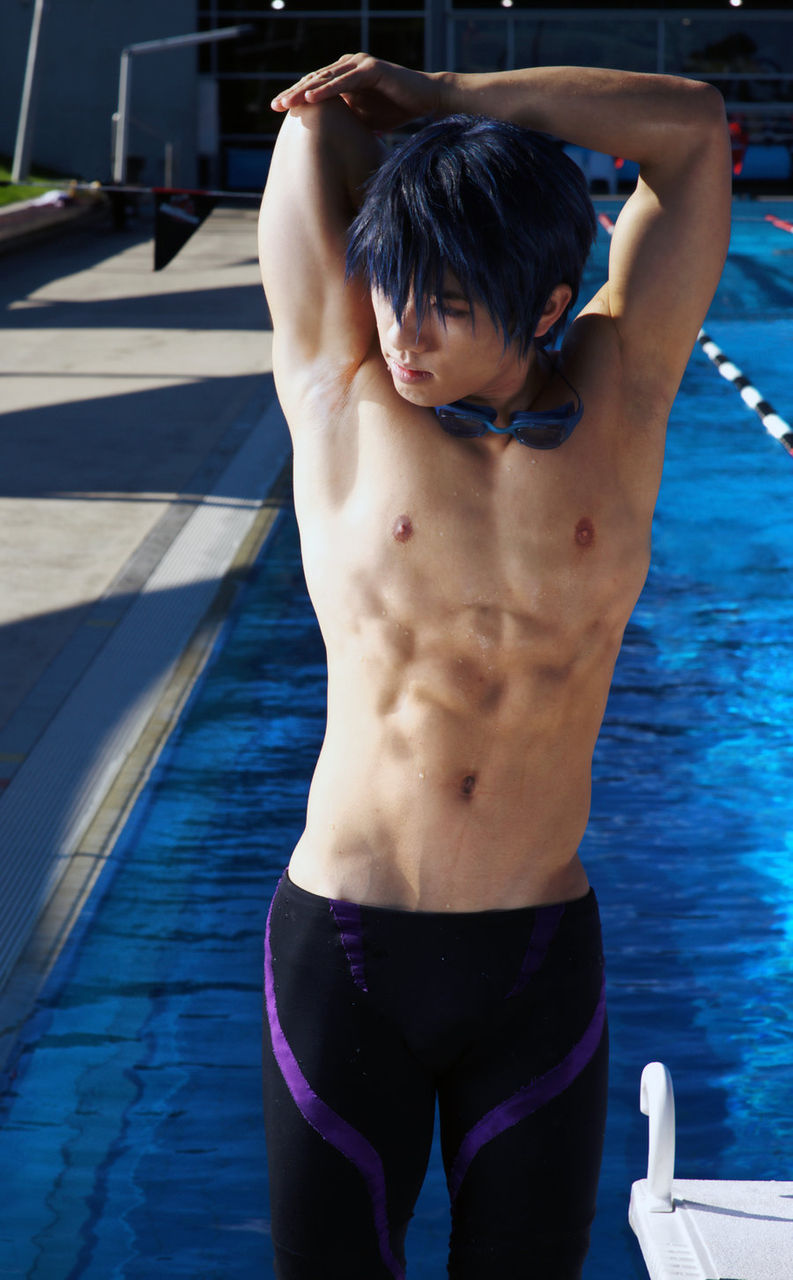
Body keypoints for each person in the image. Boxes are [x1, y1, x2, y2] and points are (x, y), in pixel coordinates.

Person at [257, 53, 731, 1279]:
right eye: (392, 289)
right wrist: (391, 131)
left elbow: (690, 132)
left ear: (545, 303)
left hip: (535, 958)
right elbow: (315, 121)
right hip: (346, 948)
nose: (401, 331)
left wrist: (452, 94)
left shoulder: (623, 394)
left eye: (444, 303)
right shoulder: (342, 394)